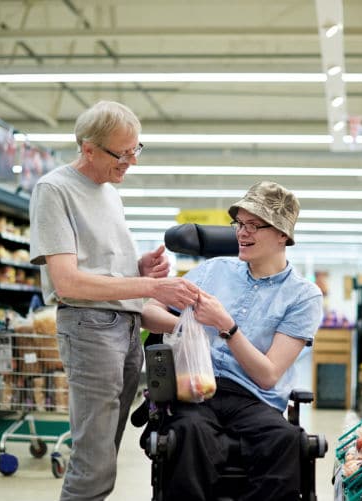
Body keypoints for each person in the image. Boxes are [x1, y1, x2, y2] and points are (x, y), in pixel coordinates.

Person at [28, 100, 199, 501]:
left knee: (107, 452)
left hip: (125, 328)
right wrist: (151, 288)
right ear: (88, 149)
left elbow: (101, 269)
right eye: (122, 154)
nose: (132, 163)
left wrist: (139, 268)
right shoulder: (55, 190)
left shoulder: (108, 192)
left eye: (136, 150)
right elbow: (68, 282)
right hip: (90, 329)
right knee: (93, 460)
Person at [142, 181, 324, 501]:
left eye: (254, 225)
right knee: (187, 433)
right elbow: (148, 312)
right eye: (239, 223)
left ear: (283, 234)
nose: (242, 232)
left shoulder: (302, 296)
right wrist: (188, 327)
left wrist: (226, 326)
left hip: (254, 398)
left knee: (285, 440)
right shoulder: (212, 271)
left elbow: (267, 375)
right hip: (198, 389)